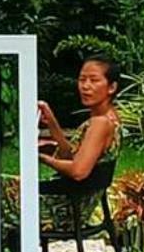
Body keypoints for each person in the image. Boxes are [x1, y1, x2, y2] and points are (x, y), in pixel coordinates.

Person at [38, 57, 121, 194]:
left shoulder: (100, 123)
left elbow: (78, 171)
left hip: (66, 202)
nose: (85, 86)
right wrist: (51, 120)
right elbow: (70, 157)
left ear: (112, 87)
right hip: (76, 198)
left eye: (94, 80)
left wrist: (42, 158)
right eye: (82, 80)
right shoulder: (112, 117)